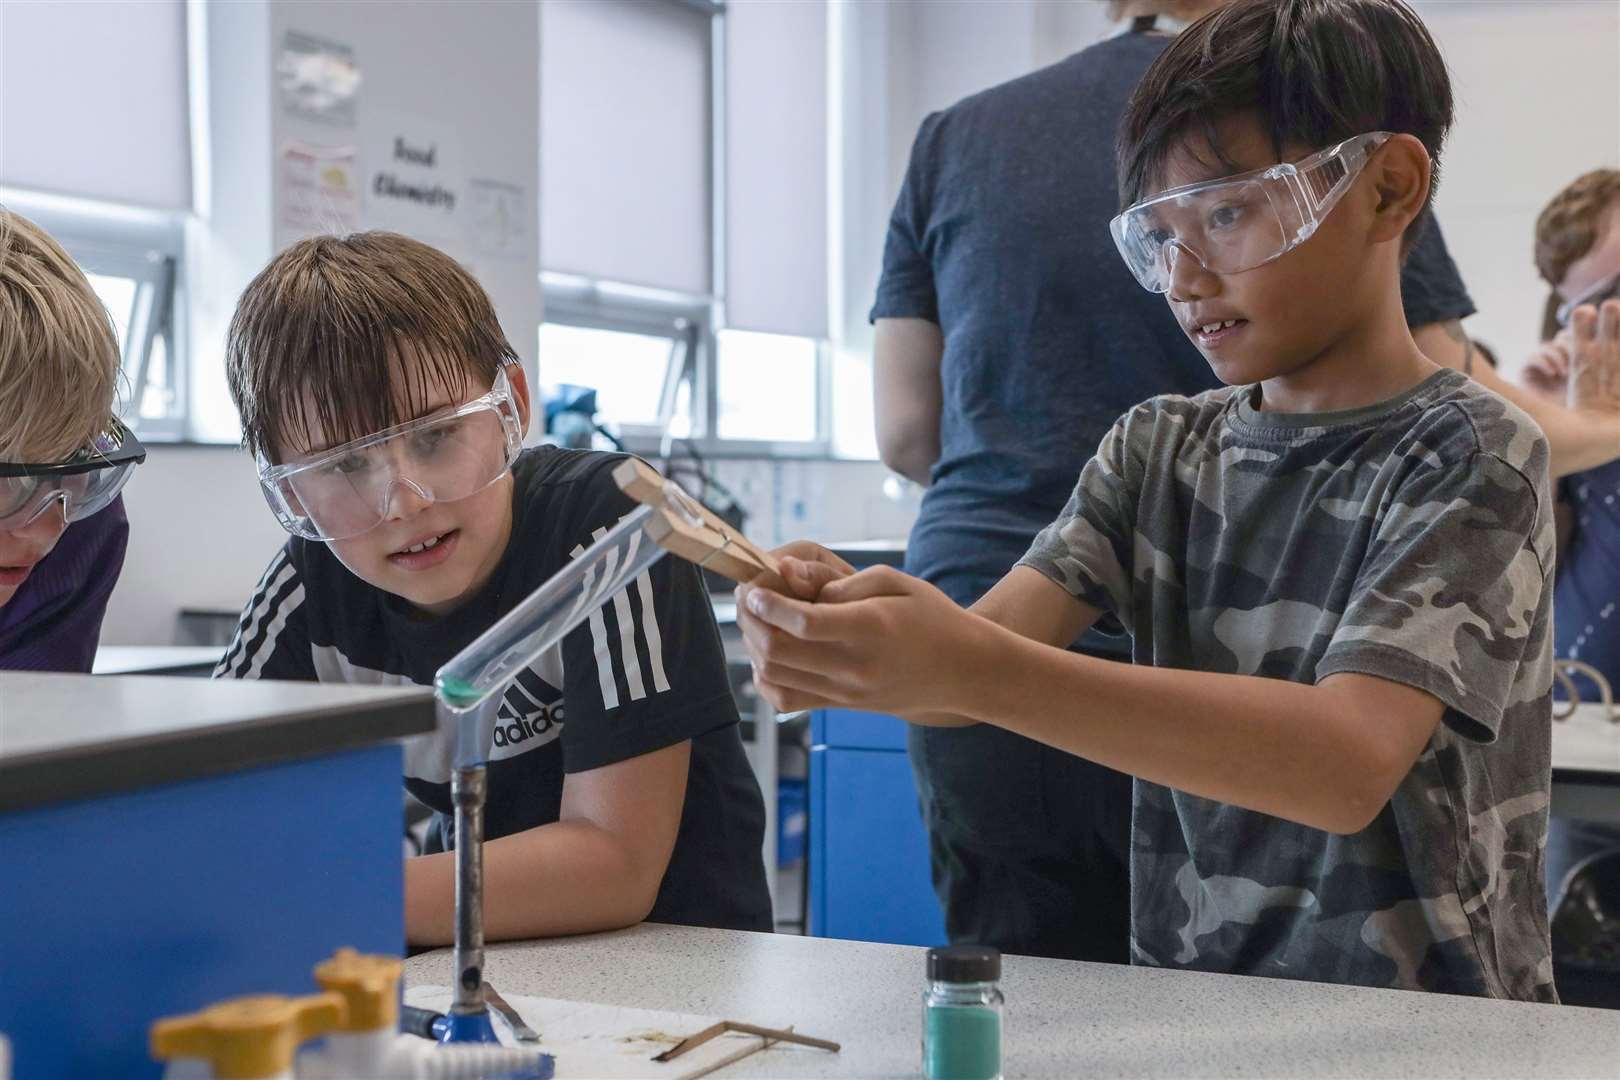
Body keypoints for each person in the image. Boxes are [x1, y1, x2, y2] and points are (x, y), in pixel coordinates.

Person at [745, 0, 1557, 998]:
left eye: (1226, 213)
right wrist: (843, 632)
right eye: (1158, 235)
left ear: (1387, 188)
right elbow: (973, 663)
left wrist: (971, 666)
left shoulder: (1472, 450)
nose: (1184, 278)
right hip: (1192, 1012)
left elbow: (1344, 762)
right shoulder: (1158, 447)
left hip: (1431, 1033)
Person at [214, 232, 771, 946]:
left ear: (509, 403)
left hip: (681, 975)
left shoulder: (609, 532)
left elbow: (613, 862)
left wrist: (328, 895)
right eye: (345, 466)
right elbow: (198, 811)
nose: (404, 502)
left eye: (437, 437)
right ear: (288, 485)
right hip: (469, 963)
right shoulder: (307, 590)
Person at [1520, 168, 1620, 917]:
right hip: (1580, 739)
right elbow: (1526, 574)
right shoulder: (1570, 392)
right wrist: (1548, 438)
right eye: (1593, 308)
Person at [0, 208, 141, 672]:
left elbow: (33, 731)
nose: (47, 528)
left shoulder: (85, 532)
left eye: (72, 467)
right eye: (8, 479)